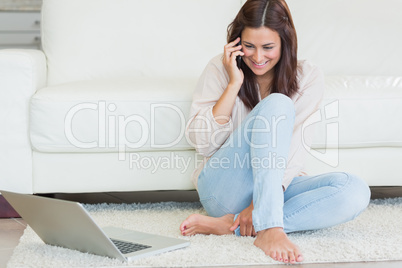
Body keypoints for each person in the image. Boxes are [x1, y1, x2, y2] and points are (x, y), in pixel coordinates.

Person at [180, 0, 371, 264]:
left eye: (268, 47)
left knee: (355, 190)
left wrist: (260, 204)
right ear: (237, 43)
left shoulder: (308, 77)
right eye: (249, 47)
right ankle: (269, 228)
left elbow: (294, 151)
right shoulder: (220, 68)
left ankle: (234, 226)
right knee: (278, 104)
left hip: (278, 186)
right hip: (223, 189)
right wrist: (234, 83)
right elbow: (203, 144)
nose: (258, 58)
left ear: (285, 42)